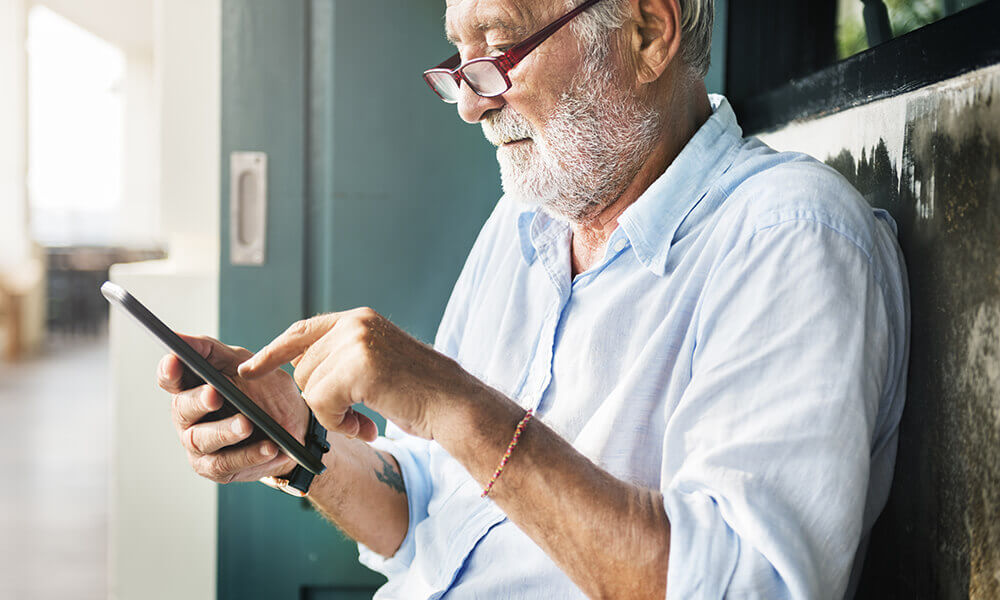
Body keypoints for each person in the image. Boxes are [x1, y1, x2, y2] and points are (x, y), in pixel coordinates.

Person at [157, 0, 910, 597]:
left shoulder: (789, 236)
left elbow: (748, 589)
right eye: (461, 60)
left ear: (649, 31)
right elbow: (428, 508)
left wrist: (453, 402)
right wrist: (301, 447)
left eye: (500, 47)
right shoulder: (530, 218)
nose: (471, 105)